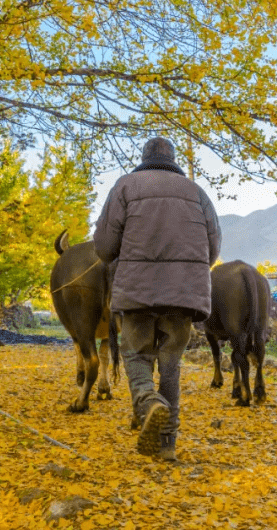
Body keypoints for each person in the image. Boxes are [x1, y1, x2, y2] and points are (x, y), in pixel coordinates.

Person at [93, 137, 220, 461]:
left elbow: (105, 247)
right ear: (173, 159)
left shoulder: (126, 186)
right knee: (171, 366)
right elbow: (213, 248)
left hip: (138, 292)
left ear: (143, 157)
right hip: (183, 295)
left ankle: (148, 403)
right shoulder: (197, 193)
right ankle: (167, 446)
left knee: (136, 355)